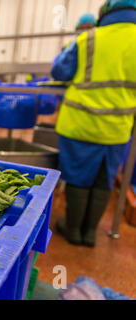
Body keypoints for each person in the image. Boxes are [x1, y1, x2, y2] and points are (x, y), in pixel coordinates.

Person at [51, 0, 136, 247]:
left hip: (80, 123)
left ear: (106, 12)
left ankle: (73, 229)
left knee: (77, 177)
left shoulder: (88, 39)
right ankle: (90, 233)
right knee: (104, 179)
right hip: (117, 129)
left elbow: (59, 71)